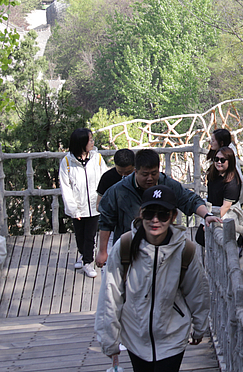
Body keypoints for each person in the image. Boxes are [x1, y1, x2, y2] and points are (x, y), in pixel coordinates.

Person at [95, 185, 210, 372]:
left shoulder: (185, 250)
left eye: (163, 214)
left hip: (173, 336)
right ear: (141, 213)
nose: (155, 220)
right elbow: (110, 294)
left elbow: (197, 291)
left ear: (173, 216)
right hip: (135, 336)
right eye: (149, 213)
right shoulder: (125, 245)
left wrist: (199, 326)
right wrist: (109, 339)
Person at [95, 149, 221, 269]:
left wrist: (206, 215)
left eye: (154, 173)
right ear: (135, 171)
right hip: (130, 248)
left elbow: (190, 200)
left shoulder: (167, 184)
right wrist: (102, 251)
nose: (150, 178)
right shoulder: (118, 190)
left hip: (162, 250)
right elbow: (105, 222)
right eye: (145, 174)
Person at [59, 128, 109, 278]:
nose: (92, 142)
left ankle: (88, 262)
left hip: (94, 205)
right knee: (79, 235)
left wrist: (102, 202)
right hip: (78, 206)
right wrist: (73, 209)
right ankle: (83, 255)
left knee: (90, 236)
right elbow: (65, 187)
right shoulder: (67, 162)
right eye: (90, 140)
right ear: (81, 143)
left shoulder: (97, 158)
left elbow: (104, 179)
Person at [196, 146, 243, 247]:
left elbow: (226, 206)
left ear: (230, 162)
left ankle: (240, 244)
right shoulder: (213, 173)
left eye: (222, 160)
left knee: (219, 239)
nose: (219, 162)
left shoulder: (232, 183)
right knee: (200, 238)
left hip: (225, 212)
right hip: (212, 208)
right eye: (216, 159)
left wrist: (213, 220)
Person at [207, 128, 243, 201]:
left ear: (221, 143)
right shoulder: (217, 153)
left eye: (213, 141)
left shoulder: (229, 157)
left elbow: (239, 179)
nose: (210, 143)